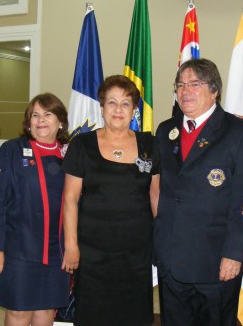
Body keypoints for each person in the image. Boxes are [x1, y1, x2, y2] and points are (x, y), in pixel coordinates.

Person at [153, 58, 243, 326]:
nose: (185, 91)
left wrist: (234, 253)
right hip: (172, 260)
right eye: (180, 85)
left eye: (195, 84)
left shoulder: (239, 132)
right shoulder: (166, 130)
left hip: (215, 262)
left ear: (214, 90)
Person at [61, 75, 160, 326]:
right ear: (102, 107)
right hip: (93, 253)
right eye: (112, 102)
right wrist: (71, 246)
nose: (118, 109)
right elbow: (70, 199)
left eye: (126, 103)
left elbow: (155, 195)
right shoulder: (82, 145)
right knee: (94, 315)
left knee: (133, 316)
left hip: (136, 253)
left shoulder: (150, 145)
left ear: (134, 109)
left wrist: (161, 242)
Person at [0, 93, 70, 326]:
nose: (40, 120)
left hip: (57, 252)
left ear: (60, 121)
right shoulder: (11, 150)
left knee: (45, 311)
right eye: (35, 115)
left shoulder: (70, 155)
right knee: (19, 312)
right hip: (18, 249)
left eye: (47, 114)